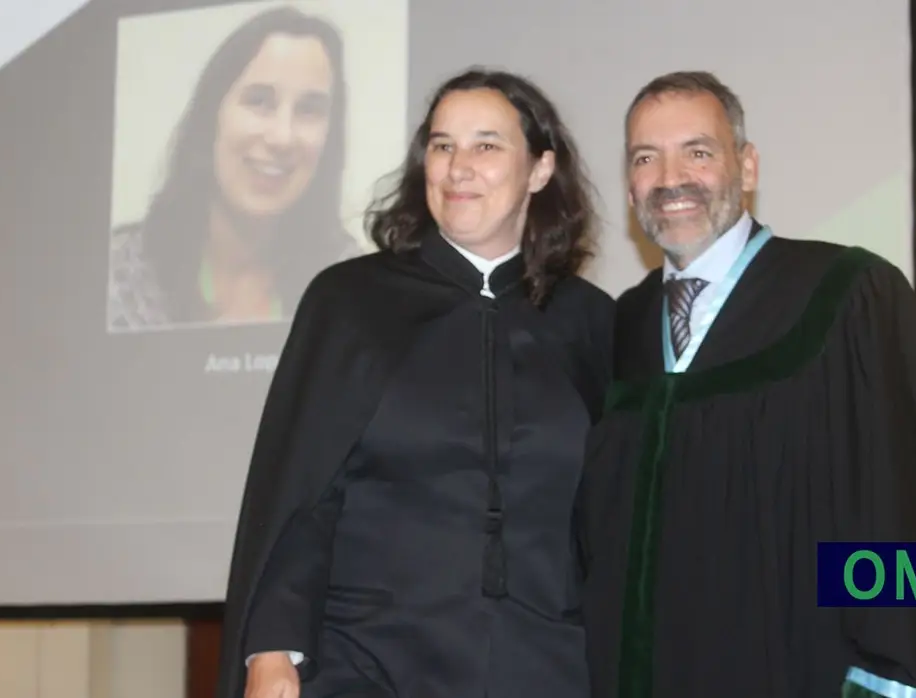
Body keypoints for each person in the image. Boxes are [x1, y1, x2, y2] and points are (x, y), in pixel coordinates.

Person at [577, 71, 916, 698]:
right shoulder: (618, 327)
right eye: (646, 158)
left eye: (698, 152)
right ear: (630, 185)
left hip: (796, 668)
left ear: (748, 166)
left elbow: (902, 505)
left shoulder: (846, 295)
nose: (670, 177)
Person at [214, 68, 615, 698]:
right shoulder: (349, 302)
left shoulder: (592, 322)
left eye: (486, 145)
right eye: (441, 145)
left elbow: (613, 517)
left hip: (546, 664)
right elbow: (300, 497)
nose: (459, 167)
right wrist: (272, 649)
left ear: (539, 171)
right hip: (367, 661)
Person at [106, 6, 359, 332]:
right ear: (211, 117)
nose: (282, 136)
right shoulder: (121, 275)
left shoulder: (356, 286)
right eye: (259, 101)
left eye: (309, 110)